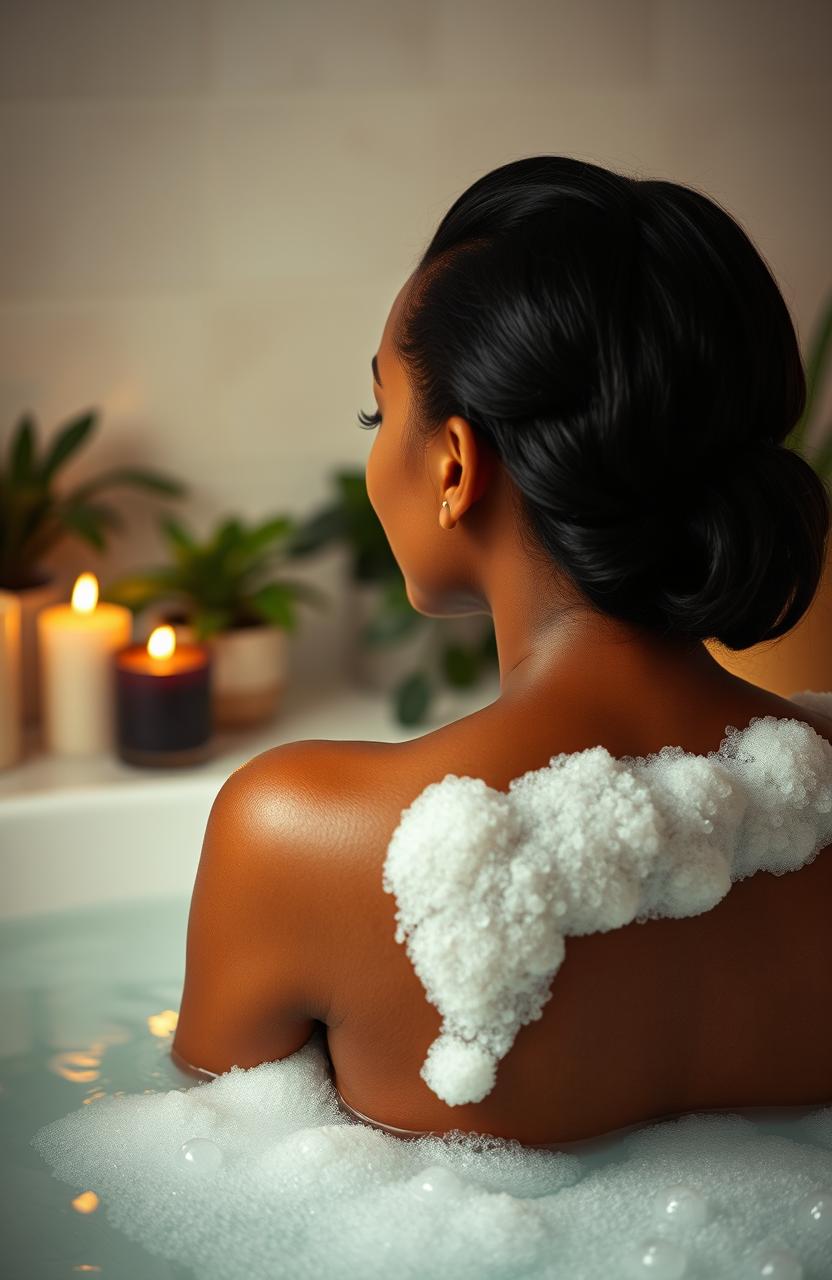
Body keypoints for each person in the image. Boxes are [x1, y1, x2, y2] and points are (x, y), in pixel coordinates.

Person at [171, 155, 832, 1148]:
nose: (373, 448)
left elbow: (200, 1170)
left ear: (453, 465)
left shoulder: (295, 835)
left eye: (379, 410)